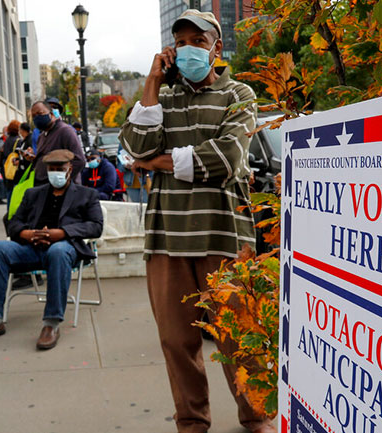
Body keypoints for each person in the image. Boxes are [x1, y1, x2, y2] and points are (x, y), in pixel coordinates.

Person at [119, 10, 273, 433]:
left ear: (216, 48)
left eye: (198, 41)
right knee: (176, 341)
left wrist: (157, 161)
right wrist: (152, 83)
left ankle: (256, 416)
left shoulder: (238, 93)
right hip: (167, 236)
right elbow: (133, 144)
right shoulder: (162, 98)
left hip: (224, 234)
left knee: (239, 336)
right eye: (181, 41)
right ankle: (191, 421)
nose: (189, 48)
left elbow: (227, 158)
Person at [0, 149, 103, 349]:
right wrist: (26, 234)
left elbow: (96, 226)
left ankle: (51, 324)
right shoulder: (33, 194)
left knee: (58, 251)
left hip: (64, 248)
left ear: (70, 170)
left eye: (60, 169)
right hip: (31, 247)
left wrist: (62, 232)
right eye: (52, 169)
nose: (55, 172)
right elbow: (13, 222)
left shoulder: (86, 194)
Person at [23, 101, 85, 187]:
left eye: (40, 113)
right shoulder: (41, 136)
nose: (37, 117)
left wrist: (60, 182)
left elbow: (79, 161)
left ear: (51, 114)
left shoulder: (65, 131)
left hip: (61, 190)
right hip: (42, 187)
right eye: (33, 116)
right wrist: (33, 158)